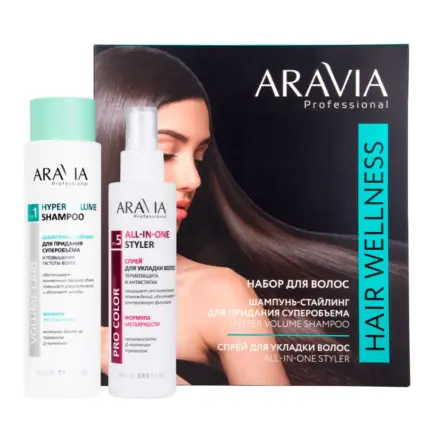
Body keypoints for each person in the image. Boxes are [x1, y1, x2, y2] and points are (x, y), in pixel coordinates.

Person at [95, 46, 408, 386]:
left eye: (199, 157)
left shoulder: (217, 294)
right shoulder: (60, 290)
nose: (193, 179)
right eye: (166, 154)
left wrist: (150, 377)